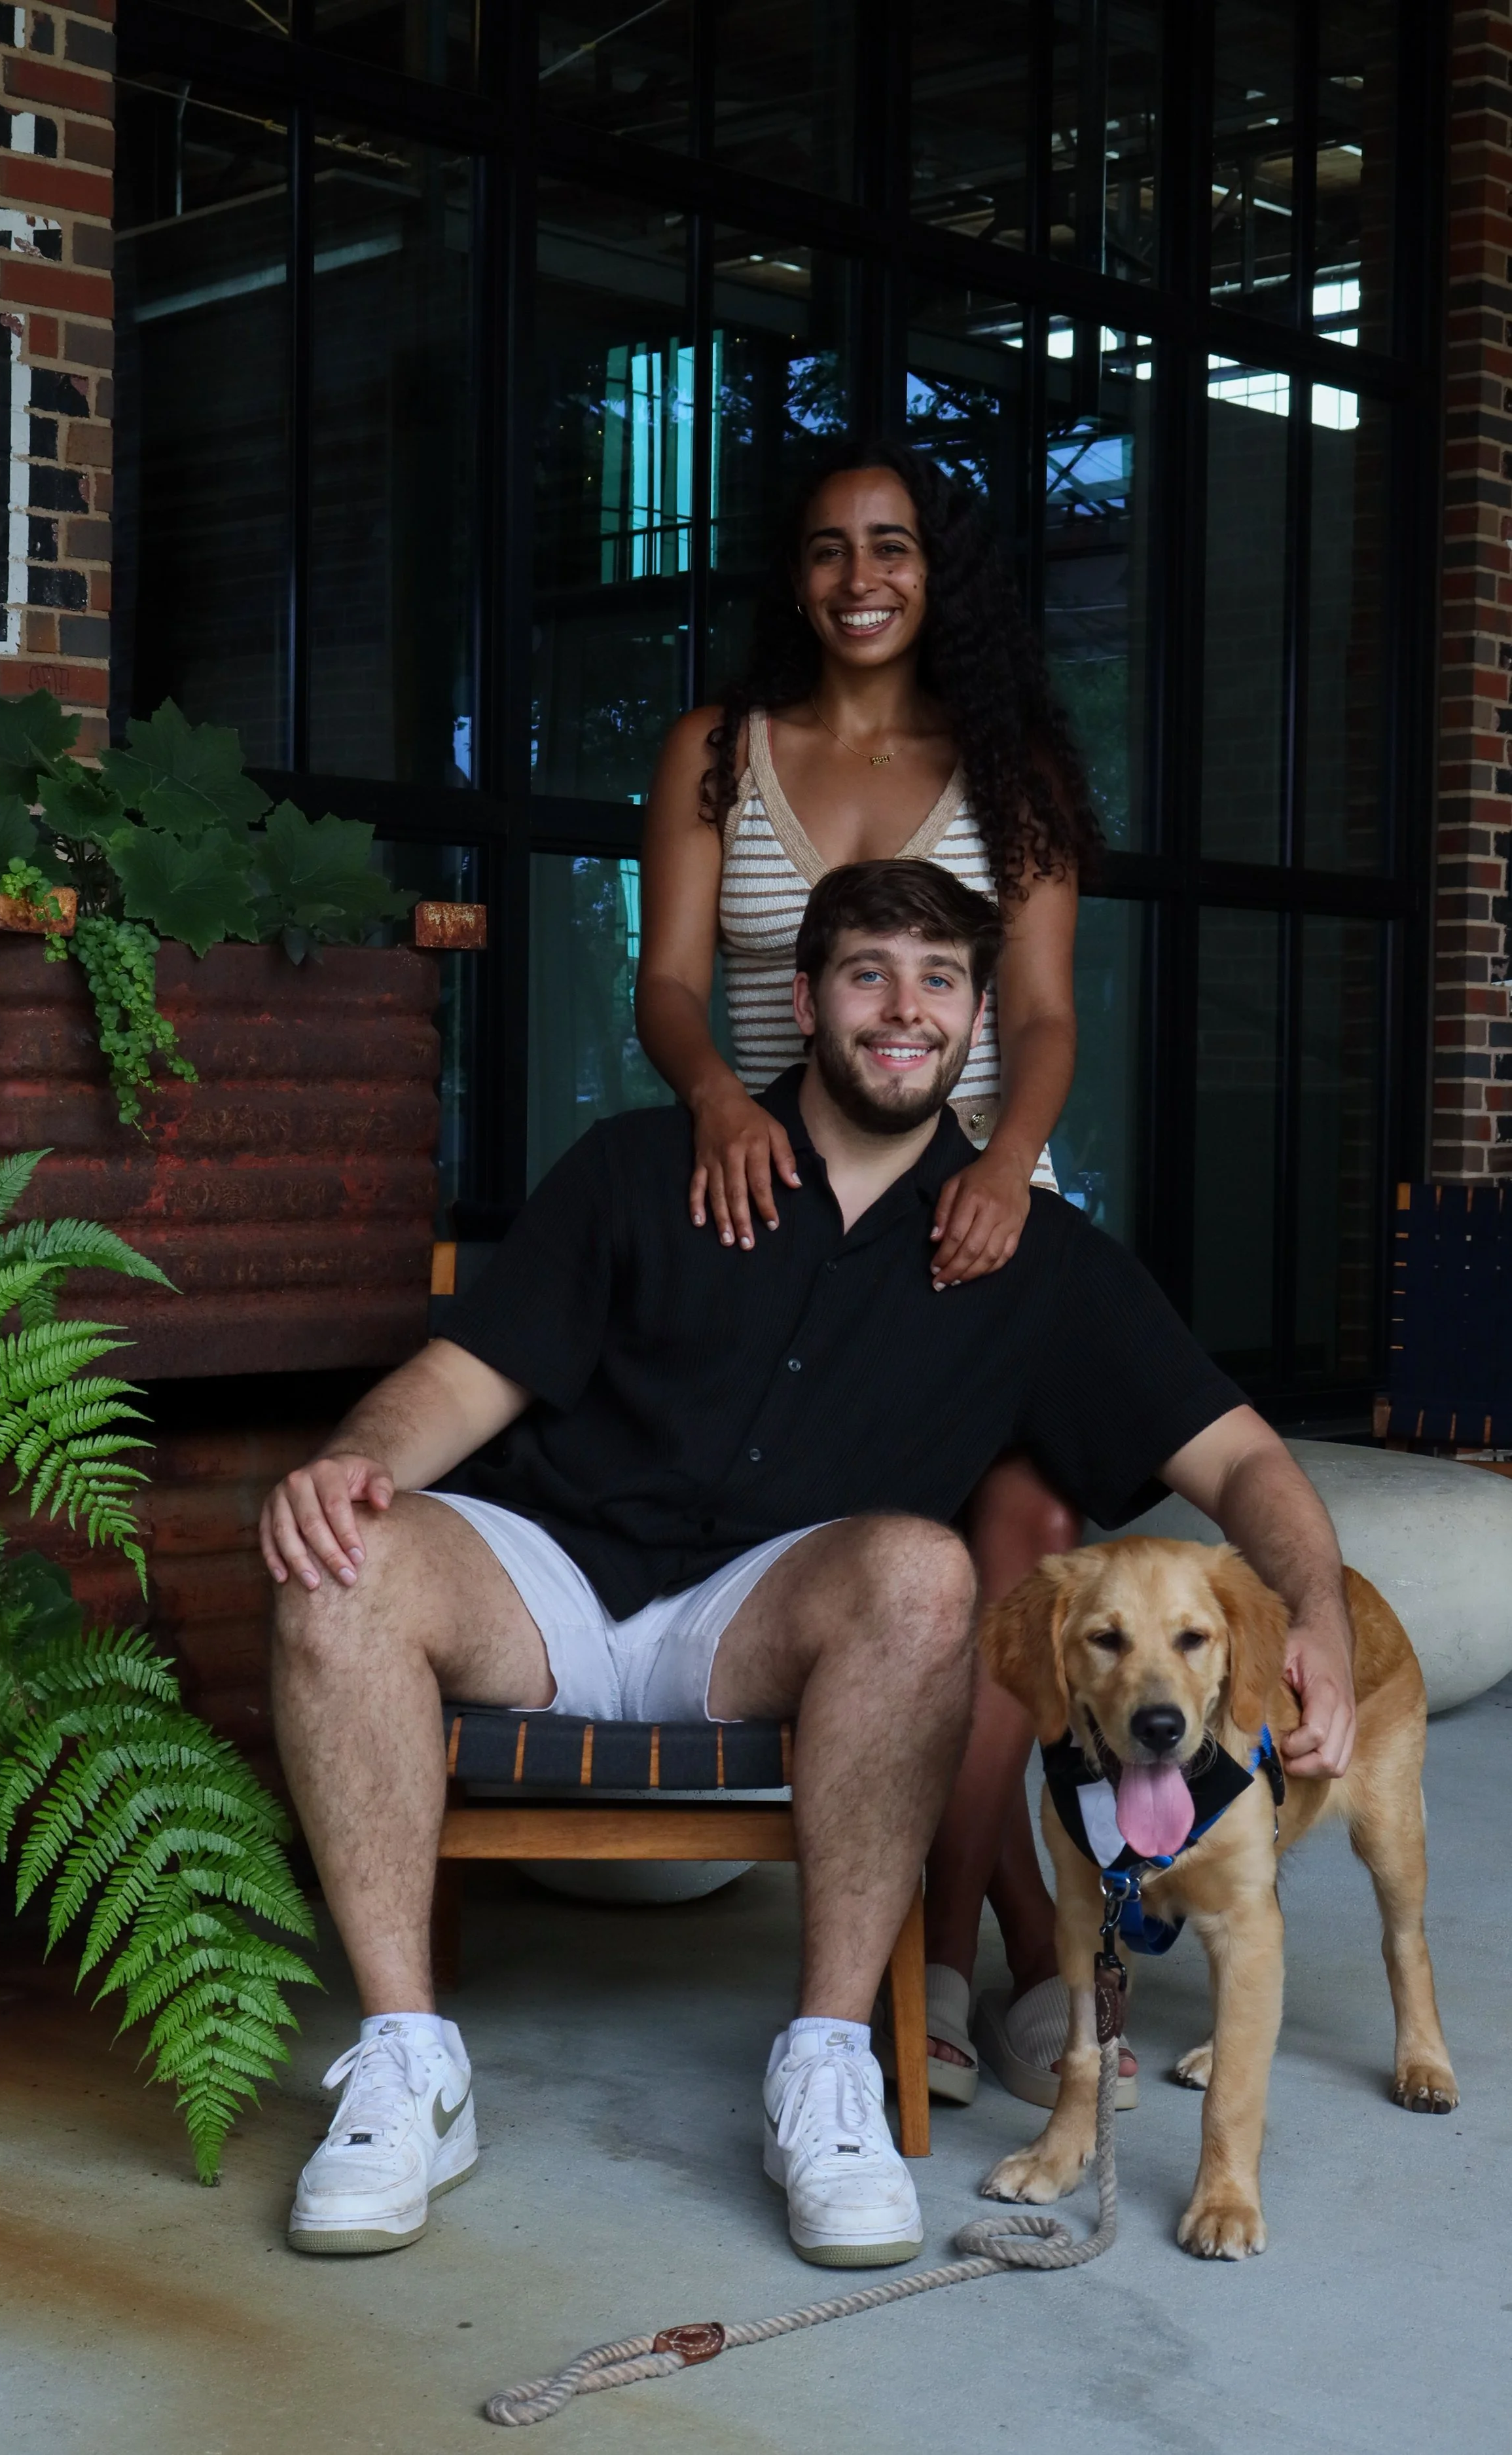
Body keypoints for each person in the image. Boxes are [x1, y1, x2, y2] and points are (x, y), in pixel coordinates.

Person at [261, 861, 1357, 2274]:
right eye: (867, 975)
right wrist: (355, 1465)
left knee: (920, 1572)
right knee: (339, 1556)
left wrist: (1312, 1612)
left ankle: (829, 2064)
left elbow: (1246, 1461)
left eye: (939, 981)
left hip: (762, 1614)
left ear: (976, 1022)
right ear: (800, 1000)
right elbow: (459, 1383)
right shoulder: (636, 1169)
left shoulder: (1031, 1256)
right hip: (544, 1576)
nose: (903, 1010)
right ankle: (410, 2067)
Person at [636, 437, 1104, 2102]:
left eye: (890, 546)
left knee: (1027, 1537)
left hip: (979, 1197)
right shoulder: (712, 751)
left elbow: (1040, 1019)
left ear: (934, 572)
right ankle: (1022, 1939)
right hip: (786, 1190)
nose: (858, 579)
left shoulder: (1014, 767)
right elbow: (672, 988)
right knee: (904, 1567)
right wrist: (709, 1107)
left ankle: (953, 1954)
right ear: (792, 574)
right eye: (827, 549)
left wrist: (996, 1164)